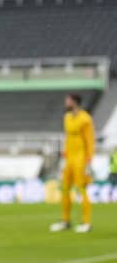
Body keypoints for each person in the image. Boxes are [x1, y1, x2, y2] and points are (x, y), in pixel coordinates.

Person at [50, 94, 95, 233]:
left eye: (68, 100)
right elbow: (68, 138)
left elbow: (90, 140)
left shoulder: (86, 119)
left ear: (74, 102)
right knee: (65, 189)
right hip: (69, 158)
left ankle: (86, 222)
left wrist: (89, 161)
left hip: (80, 158)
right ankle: (65, 221)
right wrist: (64, 155)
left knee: (81, 189)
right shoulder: (67, 118)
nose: (66, 102)